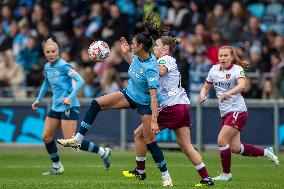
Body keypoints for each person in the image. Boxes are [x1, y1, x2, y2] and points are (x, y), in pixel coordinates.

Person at [58, 13, 173, 186]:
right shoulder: (138, 57)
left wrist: (155, 121)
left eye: (133, 44)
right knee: (96, 103)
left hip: (146, 104)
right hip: (130, 94)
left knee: (149, 140)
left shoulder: (151, 69)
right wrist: (126, 53)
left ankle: (166, 176)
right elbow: (133, 64)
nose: (130, 45)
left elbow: (154, 97)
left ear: (141, 46)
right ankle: (78, 139)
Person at [121, 35, 214, 187]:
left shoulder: (165, 60)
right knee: (185, 145)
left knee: (139, 134)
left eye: (156, 46)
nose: (154, 49)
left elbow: (161, 71)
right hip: (181, 105)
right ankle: (206, 178)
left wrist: (147, 65)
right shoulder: (161, 60)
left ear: (165, 48)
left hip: (171, 106)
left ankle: (140, 171)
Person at [199, 45, 279, 181]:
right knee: (236, 148)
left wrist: (227, 93)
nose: (222, 58)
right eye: (220, 56)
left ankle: (226, 174)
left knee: (221, 140)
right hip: (225, 112)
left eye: (225, 56)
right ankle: (267, 152)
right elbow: (206, 86)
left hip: (237, 111)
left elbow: (242, 86)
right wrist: (202, 94)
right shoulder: (213, 70)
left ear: (232, 57)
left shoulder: (237, 69)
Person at [32, 38, 111, 176]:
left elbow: (80, 81)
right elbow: (46, 83)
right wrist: (38, 99)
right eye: (48, 52)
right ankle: (57, 167)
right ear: (44, 53)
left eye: (53, 51)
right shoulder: (47, 67)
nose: (51, 54)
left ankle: (102, 151)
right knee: (46, 137)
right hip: (56, 106)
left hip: (69, 106)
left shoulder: (64, 66)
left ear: (58, 52)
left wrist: (70, 97)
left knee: (72, 141)